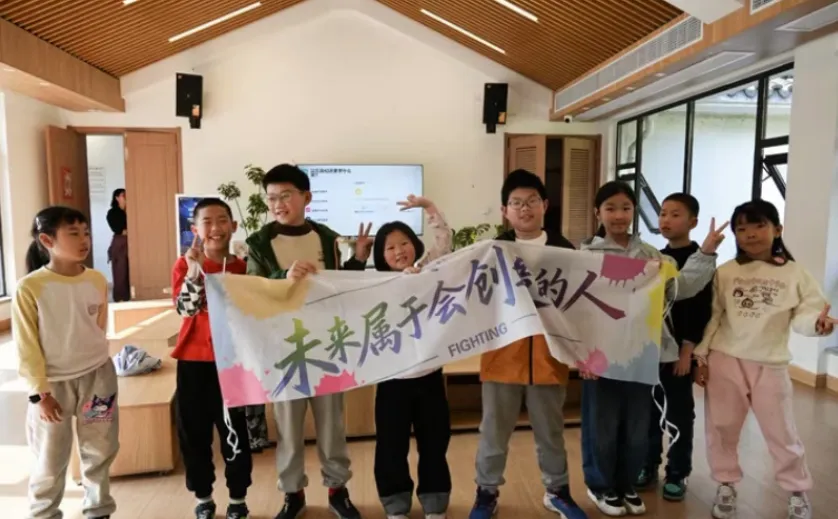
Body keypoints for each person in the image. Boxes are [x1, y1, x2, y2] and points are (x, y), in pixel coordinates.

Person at [579, 181, 724, 517]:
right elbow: (575, 311)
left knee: (637, 426)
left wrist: (705, 253)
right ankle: (600, 485)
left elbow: (681, 288)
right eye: (610, 208)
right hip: (602, 356)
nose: (619, 215)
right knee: (603, 425)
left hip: (643, 354)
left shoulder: (651, 256)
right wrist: (582, 353)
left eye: (626, 208)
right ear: (597, 212)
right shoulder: (584, 256)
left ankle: (626, 482)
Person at [693, 199, 835, 519]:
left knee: (781, 431)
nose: (751, 234)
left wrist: (817, 325)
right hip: (725, 360)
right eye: (742, 229)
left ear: (777, 229)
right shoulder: (726, 272)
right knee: (721, 427)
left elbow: (806, 314)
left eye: (759, 226)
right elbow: (713, 317)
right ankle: (726, 484)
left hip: (770, 364)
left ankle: (797, 491)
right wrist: (701, 356)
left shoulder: (795, 273)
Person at [245, 164, 372, 519]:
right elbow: (253, 290)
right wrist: (282, 276)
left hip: (326, 344)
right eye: (271, 197)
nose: (278, 203)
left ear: (307, 197)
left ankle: (337, 490)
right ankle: (293, 494)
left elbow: (338, 286)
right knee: (287, 427)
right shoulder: (259, 243)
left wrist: (359, 260)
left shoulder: (327, 238)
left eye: (286, 195)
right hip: (283, 348)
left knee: (332, 425)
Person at [469, 169, 588, 519]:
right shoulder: (492, 252)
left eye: (532, 201)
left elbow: (581, 305)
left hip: (550, 357)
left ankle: (557, 492)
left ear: (544, 205)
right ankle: (486, 493)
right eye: (516, 203)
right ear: (504, 210)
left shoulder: (565, 251)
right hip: (502, 356)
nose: (524, 209)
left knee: (551, 433)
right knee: (493, 433)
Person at [13, 206, 119, 519]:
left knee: (100, 446)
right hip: (53, 387)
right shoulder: (30, 287)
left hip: (98, 379)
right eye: (73, 233)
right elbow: (27, 346)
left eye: (86, 233)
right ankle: (44, 512)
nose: (84, 240)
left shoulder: (96, 279)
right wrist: (39, 394)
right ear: (47, 240)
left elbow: (99, 327)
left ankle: (98, 508)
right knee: (50, 454)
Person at [171, 198, 253, 519]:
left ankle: (238, 499)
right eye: (207, 221)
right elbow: (186, 309)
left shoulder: (244, 267)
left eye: (222, 220)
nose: (215, 228)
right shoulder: (184, 265)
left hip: (232, 362)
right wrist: (194, 270)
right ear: (195, 229)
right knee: (193, 432)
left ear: (234, 225)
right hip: (194, 361)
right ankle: (203, 497)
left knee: (235, 431)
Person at [372, 195, 453, 519]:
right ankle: (395, 504)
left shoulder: (427, 271)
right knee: (391, 445)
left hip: (429, 376)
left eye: (404, 243)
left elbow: (444, 242)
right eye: (390, 247)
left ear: (414, 245)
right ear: (381, 256)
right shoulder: (374, 284)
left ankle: (435, 502)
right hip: (392, 380)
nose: (399, 251)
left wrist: (430, 208)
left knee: (434, 442)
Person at [635, 193, 713, 501]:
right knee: (648, 411)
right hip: (651, 350)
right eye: (663, 214)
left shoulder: (702, 260)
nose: (666, 220)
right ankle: (647, 464)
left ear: (693, 222)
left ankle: (678, 472)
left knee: (679, 413)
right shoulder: (656, 258)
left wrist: (687, 351)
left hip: (680, 352)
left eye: (675, 214)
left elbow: (701, 309)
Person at [106, 188, 130, 302]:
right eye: (123, 195)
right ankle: (120, 297)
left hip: (129, 242)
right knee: (120, 270)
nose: (126, 198)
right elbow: (120, 230)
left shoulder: (130, 211)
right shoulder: (113, 213)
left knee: (130, 270)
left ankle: (129, 295)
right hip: (120, 243)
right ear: (117, 198)